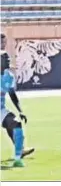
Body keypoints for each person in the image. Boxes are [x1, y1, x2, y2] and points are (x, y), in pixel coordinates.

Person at [1, 33, 35, 167]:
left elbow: (12, 94)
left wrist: (20, 111)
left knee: (15, 123)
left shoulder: (8, 76)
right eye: (6, 59)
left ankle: (18, 157)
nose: (9, 61)